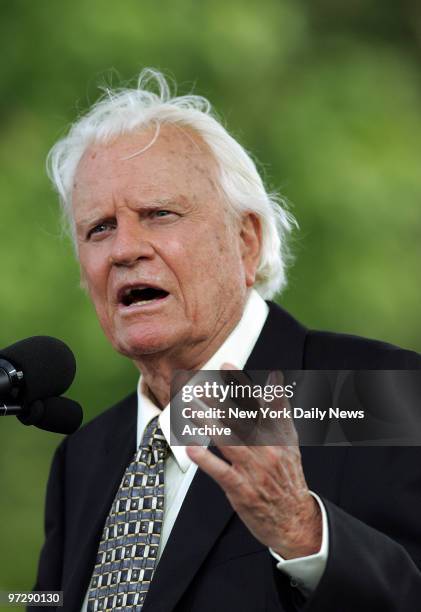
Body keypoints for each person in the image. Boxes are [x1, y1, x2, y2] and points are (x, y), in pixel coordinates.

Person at [32, 69, 421, 612]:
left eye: (158, 214)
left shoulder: (370, 394)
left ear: (246, 241)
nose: (124, 250)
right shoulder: (82, 456)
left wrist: (305, 533)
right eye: (99, 228)